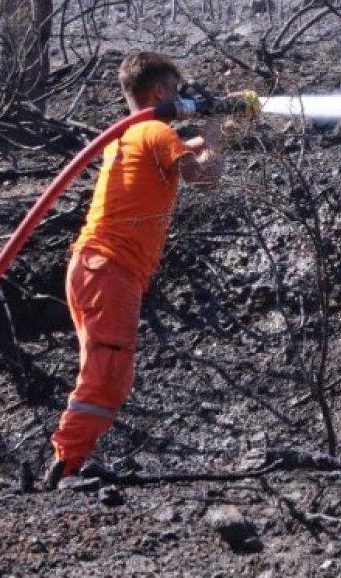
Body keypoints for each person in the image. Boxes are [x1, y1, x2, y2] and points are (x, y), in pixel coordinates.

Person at [43, 51, 225, 489]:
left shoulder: (133, 136)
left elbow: (185, 155)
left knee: (103, 369)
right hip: (110, 270)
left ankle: (71, 461)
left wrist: (221, 128)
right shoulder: (154, 131)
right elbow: (206, 176)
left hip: (93, 268)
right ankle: (66, 465)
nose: (182, 99)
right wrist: (214, 132)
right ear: (161, 93)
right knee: (108, 373)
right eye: (178, 93)